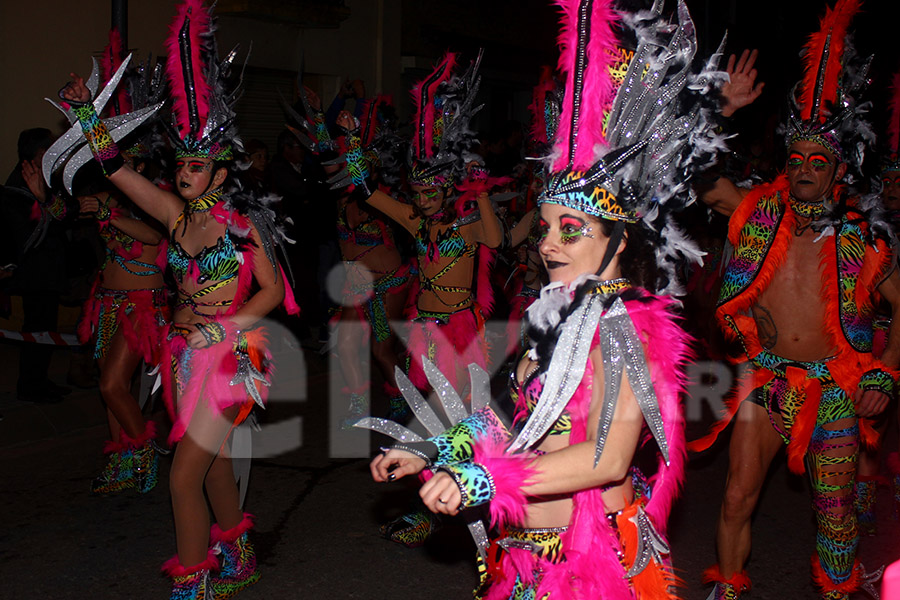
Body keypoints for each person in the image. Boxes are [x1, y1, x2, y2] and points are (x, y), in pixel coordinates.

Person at [363, 0, 727, 595]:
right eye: (548, 226)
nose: (548, 244)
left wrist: (478, 481)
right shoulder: (553, 313)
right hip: (524, 558)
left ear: (620, 239)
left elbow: (608, 459)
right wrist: (437, 448)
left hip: (591, 564)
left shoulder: (627, 325)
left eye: (572, 230)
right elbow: (511, 416)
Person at [56, 1, 298, 597]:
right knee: (212, 465)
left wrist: (226, 327)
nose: (184, 173)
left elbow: (274, 292)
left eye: (197, 165)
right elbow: (115, 170)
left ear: (219, 174)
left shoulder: (245, 225)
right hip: (182, 355)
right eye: (181, 163)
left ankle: (197, 581)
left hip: (231, 358)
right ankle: (239, 552)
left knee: (183, 475)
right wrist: (90, 116)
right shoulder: (172, 214)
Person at [690, 3, 900, 598]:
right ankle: (726, 587)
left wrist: (887, 372)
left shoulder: (865, 236)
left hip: (834, 385)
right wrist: (720, 111)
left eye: (819, 160)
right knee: (735, 494)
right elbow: (700, 178)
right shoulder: (759, 211)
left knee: (835, 517)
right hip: (767, 379)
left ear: (839, 168)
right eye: (797, 158)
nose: (804, 168)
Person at [331, 102, 412, 426]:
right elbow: (327, 157)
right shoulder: (340, 198)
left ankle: (402, 399)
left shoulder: (382, 201)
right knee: (346, 345)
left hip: (387, 284)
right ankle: (358, 402)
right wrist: (333, 124)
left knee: (381, 351)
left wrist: (353, 141)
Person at [856, 68, 900, 535]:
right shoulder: (870, 225)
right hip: (878, 327)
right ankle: (866, 487)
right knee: (875, 409)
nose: (890, 190)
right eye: (885, 183)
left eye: (898, 183)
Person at [0, 128, 72, 403]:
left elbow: (63, 216)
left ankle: (37, 381)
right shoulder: (19, 184)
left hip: (45, 272)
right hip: (35, 274)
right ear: (40, 152)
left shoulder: (39, 178)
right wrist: (45, 203)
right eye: (52, 147)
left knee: (44, 329)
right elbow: (30, 234)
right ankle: (31, 385)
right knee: (38, 330)